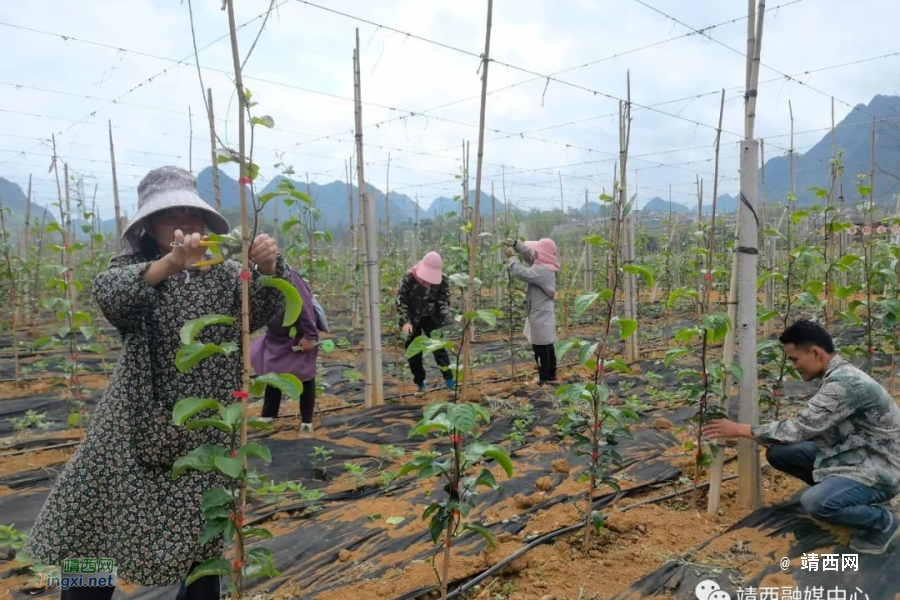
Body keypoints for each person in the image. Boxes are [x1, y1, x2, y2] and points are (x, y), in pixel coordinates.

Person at [24, 166, 289, 599]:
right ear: (148, 226)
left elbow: (265, 308)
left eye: (193, 215)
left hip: (203, 432)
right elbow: (112, 296)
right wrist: (170, 264)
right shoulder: (134, 269)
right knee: (90, 528)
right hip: (131, 426)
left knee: (203, 542)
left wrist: (268, 266)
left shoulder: (226, 274)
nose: (186, 225)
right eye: (171, 216)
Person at [703, 320, 900, 555]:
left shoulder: (844, 384)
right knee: (780, 453)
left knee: (815, 503)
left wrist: (741, 430)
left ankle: (883, 521)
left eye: (795, 359)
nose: (794, 367)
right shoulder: (837, 375)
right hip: (851, 453)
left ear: (815, 352)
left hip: (881, 467)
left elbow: (799, 429)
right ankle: (849, 498)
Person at [250, 267, 319, 432]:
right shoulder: (256, 274)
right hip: (276, 335)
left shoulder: (288, 276)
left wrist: (310, 335)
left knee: (305, 375)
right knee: (271, 370)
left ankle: (306, 422)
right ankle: (268, 415)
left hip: (298, 334)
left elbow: (304, 304)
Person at [397, 251, 455, 394]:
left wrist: (445, 314)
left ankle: (450, 382)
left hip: (431, 317)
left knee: (439, 348)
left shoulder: (443, 280)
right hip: (412, 319)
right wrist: (405, 322)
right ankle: (420, 385)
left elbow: (443, 300)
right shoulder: (409, 277)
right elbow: (401, 300)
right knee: (414, 351)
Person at [504, 238, 559, 385]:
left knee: (540, 346)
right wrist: (517, 245)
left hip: (539, 312)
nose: (535, 253)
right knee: (547, 343)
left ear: (543, 254)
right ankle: (551, 374)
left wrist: (512, 258)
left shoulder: (542, 270)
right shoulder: (546, 264)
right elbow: (530, 255)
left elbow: (522, 273)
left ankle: (545, 378)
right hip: (542, 310)